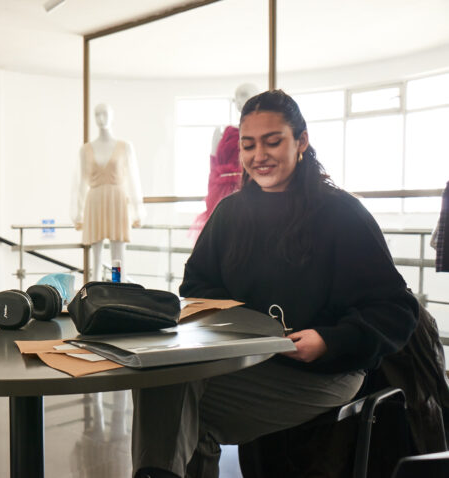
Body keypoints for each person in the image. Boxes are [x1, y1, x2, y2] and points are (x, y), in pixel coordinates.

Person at [131, 90, 419, 478]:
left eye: (273, 141)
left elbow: (396, 310)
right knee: (165, 378)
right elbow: (197, 282)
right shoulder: (231, 212)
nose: (258, 155)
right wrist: (243, 324)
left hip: (328, 371)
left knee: (179, 408)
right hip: (248, 358)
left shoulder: (341, 214)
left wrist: (329, 340)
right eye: (249, 145)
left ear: (301, 141)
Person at [71, 103, 145, 282]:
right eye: (97, 115)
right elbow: (79, 183)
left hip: (117, 200)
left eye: (104, 114)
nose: (101, 119)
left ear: (112, 116)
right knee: (95, 252)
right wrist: (77, 214)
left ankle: (117, 285)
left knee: (118, 252)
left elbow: (134, 180)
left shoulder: (125, 147)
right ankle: (94, 287)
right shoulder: (85, 149)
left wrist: (138, 210)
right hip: (94, 199)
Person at [189, 83, 259, 240]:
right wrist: (211, 192)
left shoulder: (260, 133)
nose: (239, 100)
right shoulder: (222, 132)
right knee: (221, 237)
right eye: (236, 97)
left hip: (248, 189)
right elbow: (213, 165)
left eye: (244, 94)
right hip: (220, 191)